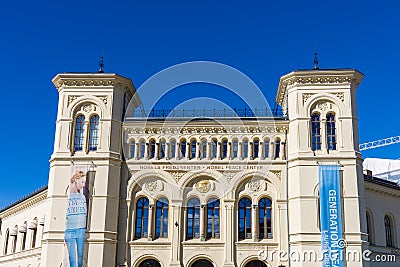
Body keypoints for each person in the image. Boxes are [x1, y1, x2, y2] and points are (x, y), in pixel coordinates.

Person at [65, 171, 87, 267]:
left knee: (80, 259)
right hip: (68, 230)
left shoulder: (82, 197)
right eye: (82, 182)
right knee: (72, 260)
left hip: (81, 229)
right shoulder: (67, 195)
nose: (83, 185)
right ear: (75, 180)